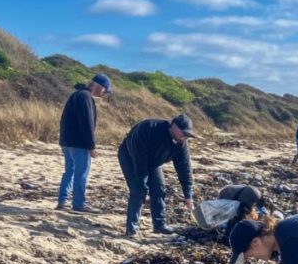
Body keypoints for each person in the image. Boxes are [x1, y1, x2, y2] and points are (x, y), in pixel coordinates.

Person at [117, 115, 199, 237]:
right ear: (174, 126)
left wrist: (188, 196)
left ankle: (159, 225)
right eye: (183, 133)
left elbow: (185, 169)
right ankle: (131, 228)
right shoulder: (150, 128)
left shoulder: (182, 144)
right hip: (130, 156)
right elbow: (139, 159)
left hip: (154, 162)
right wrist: (142, 181)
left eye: (188, 135)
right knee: (139, 190)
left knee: (159, 189)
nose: (185, 137)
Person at [57, 73, 111, 213]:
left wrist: (63, 141)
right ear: (99, 86)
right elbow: (86, 123)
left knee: (69, 172)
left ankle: (62, 201)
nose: (105, 93)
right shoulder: (85, 97)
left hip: (67, 141)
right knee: (81, 173)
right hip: (78, 143)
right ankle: (79, 204)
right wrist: (91, 146)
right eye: (105, 90)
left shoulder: (76, 94)